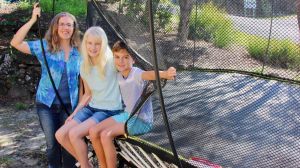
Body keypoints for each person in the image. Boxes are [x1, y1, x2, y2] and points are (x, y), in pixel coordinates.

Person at [10, 3, 81, 168]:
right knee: (52, 144)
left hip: (69, 106)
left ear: (73, 29)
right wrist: (32, 19)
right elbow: (15, 42)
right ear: (55, 27)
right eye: (61, 24)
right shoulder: (45, 47)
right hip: (46, 105)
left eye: (69, 25)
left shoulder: (79, 52)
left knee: (69, 143)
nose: (65, 27)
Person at [89, 40, 177, 168]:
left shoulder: (136, 73)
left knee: (105, 134)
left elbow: (148, 74)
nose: (121, 61)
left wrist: (165, 74)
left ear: (133, 59)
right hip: (128, 115)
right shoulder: (119, 75)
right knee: (94, 130)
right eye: (117, 57)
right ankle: (103, 165)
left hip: (141, 121)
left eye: (126, 57)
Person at [55, 27, 124, 168]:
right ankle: (87, 164)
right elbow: (88, 94)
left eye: (97, 43)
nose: (93, 47)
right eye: (90, 43)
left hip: (108, 111)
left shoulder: (112, 62)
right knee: (60, 134)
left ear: (103, 44)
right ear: (85, 44)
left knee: (74, 134)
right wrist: (75, 113)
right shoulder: (84, 65)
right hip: (92, 107)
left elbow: (131, 69)